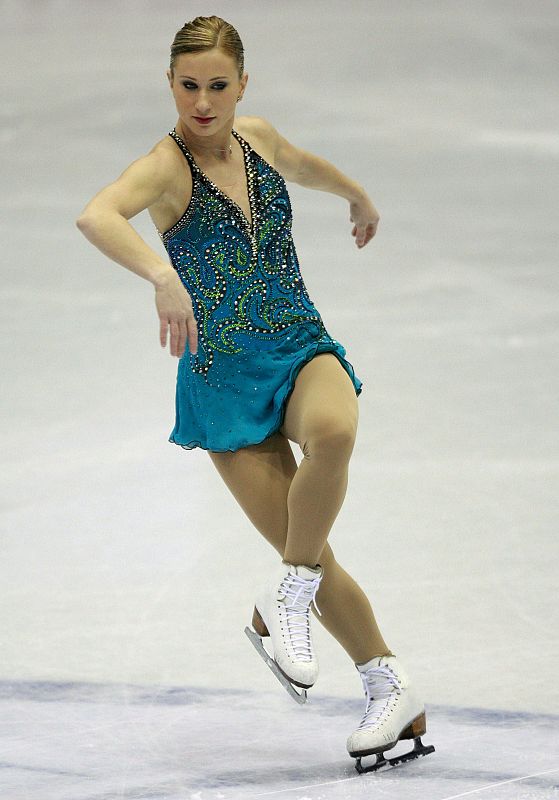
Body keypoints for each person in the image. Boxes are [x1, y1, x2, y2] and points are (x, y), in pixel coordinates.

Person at [76, 14, 433, 771]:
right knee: (310, 547)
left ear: (242, 84)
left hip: (298, 342)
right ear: (169, 84)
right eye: (187, 86)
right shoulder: (165, 167)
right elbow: (97, 213)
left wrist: (358, 196)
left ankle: (284, 601)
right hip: (224, 379)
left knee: (334, 431)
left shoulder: (258, 137)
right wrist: (161, 274)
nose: (202, 102)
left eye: (217, 85)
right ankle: (389, 683)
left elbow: (302, 164)